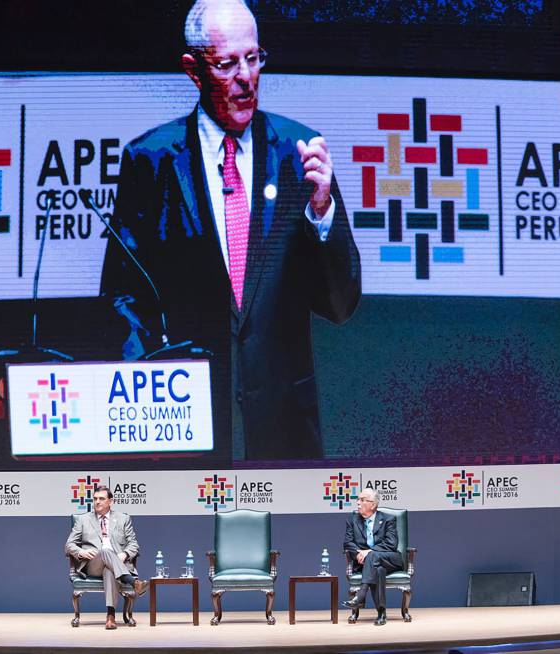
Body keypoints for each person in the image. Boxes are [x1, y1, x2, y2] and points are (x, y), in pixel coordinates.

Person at [101, 0, 361, 461]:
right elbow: (123, 298)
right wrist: (148, 394)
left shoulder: (299, 156)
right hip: (186, 432)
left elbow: (340, 306)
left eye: (253, 57)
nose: (246, 76)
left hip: (284, 434)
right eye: (226, 64)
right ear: (193, 70)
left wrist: (322, 211)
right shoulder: (151, 161)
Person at [64, 485, 149, 630]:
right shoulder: (83, 520)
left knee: (109, 570)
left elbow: (134, 544)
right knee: (104, 550)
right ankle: (133, 582)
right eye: (95, 499)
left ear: (110, 501)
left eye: (101, 499)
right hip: (92, 565)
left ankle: (110, 616)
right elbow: (69, 545)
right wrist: (81, 552)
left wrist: (125, 554)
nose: (97, 502)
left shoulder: (123, 519)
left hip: (116, 564)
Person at [342, 489, 404, 625]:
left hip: (390, 559)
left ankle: (361, 594)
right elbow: (348, 543)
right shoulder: (353, 520)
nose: (358, 503)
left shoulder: (388, 519)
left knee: (373, 556)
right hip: (368, 563)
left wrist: (368, 551)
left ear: (373, 504)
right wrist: (360, 553)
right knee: (378, 570)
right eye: (358, 499)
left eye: (363, 500)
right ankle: (381, 613)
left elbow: (391, 544)